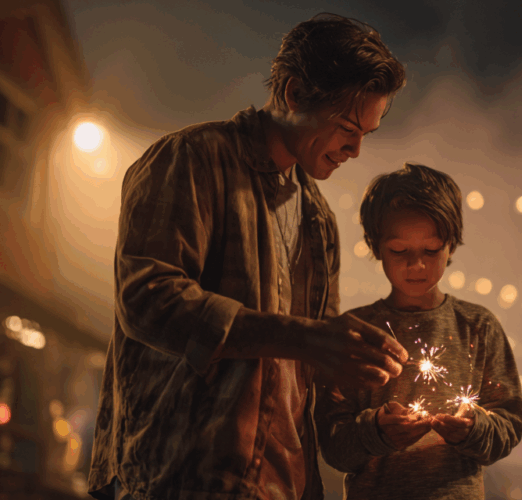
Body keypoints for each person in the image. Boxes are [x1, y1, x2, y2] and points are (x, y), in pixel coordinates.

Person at [88, 13, 408, 500]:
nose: (356, 150)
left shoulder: (317, 218)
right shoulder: (192, 159)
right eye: (347, 126)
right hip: (179, 475)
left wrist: (371, 398)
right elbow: (147, 299)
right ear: (295, 93)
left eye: (367, 132)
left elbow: (309, 372)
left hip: (279, 485)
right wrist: (304, 339)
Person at [314, 163, 522, 499]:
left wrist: (473, 430)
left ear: (451, 245)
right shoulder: (359, 333)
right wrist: (376, 432)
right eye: (399, 251)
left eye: (431, 250)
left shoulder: (478, 327)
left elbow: (509, 426)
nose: (417, 265)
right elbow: (333, 446)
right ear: (375, 245)